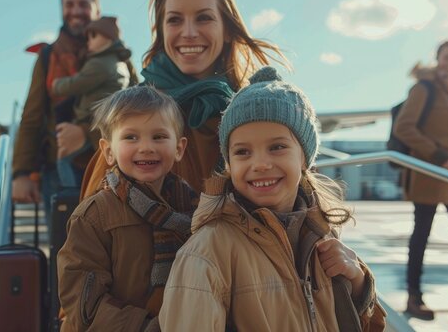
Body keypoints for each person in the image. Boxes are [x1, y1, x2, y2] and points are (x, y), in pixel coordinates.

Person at [159, 67, 387, 331]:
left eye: (277, 147)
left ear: (304, 157)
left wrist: (358, 284)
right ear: (229, 163)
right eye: (243, 152)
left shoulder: (322, 237)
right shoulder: (208, 251)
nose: (261, 164)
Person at [80, 0, 288, 199]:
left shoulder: (258, 111)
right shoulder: (132, 113)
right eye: (175, 20)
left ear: (227, 29)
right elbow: (93, 222)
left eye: (203, 18)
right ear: (162, 31)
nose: (189, 33)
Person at [57, 85, 198, 331]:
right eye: (131, 137)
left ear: (179, 148)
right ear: (108, 151)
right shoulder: (93, 216)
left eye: (159, 136)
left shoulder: (195, 210)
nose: (146, 147)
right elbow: (84, 303)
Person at [12, 0, 100, 215]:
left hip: (106, 167)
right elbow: (31, 117)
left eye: (83, 4)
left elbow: (133, 112)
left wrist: (85, 134)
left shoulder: (116, 55)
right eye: (69, 5)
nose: (76, 11)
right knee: (63, 249)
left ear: (96, 8)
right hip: (57, 173)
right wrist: (21, 173)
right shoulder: (48, 56)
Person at [393, 39, 448, 320]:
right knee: (421, 235)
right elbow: (405, 127)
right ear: (438, 57)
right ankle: (414, 297)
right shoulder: (423, 87)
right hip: (429, 173)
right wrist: (439, 156)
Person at [52, 15, 138, 188]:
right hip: (106, 121)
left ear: (107, 37)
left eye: (93, 36)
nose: (88, 41)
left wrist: (56, 85)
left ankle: (71, 197)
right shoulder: (119, 62)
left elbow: (77, 83)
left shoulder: (100, 63)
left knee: (63, 159)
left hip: (92, 122)